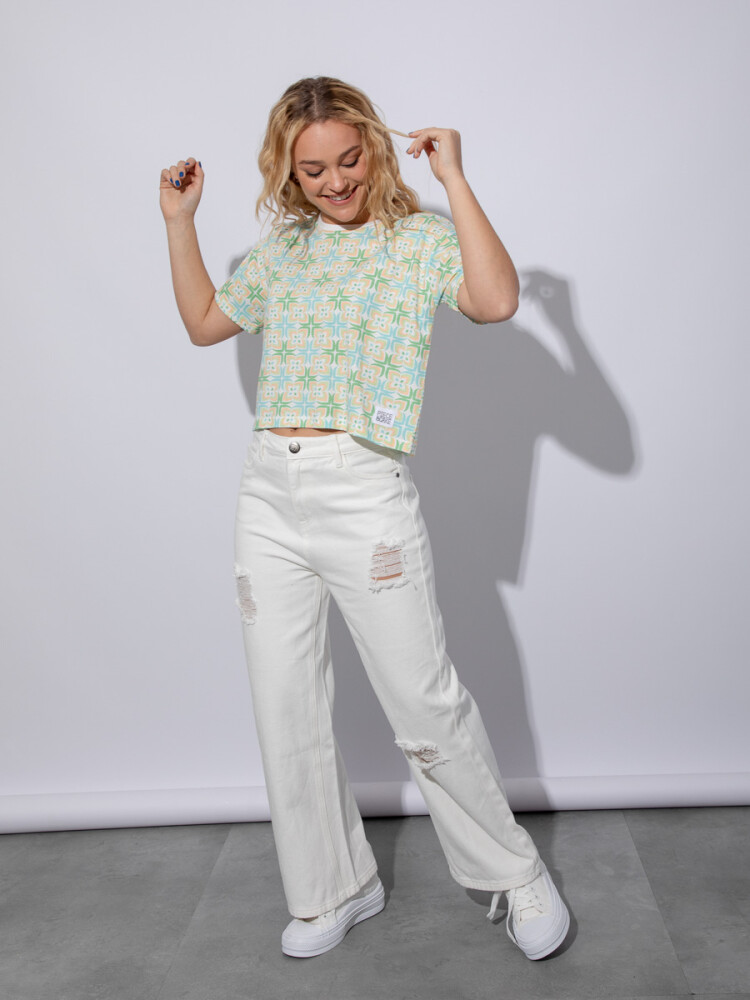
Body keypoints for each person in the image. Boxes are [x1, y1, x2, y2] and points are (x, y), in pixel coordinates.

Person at [159, 76, 570, 961]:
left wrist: (454, 178)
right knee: (286, 707)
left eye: (348, 160)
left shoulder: (418, 240)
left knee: (423, 703)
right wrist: (179, 222)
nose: (336, 182)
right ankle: (333, 889)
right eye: (313, 171)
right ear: (287, 172)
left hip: (364, 487)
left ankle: (514, 874)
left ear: (375, 151)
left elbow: (497, 302)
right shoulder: (282, 250)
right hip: (268, 491)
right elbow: (203, 323)